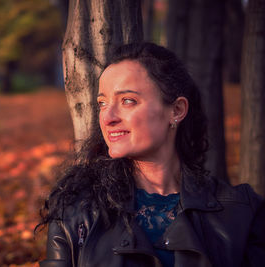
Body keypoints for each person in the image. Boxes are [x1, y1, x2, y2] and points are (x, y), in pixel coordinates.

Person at [37, 42, 265, 267]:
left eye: (128, 101)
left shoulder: (240, 212)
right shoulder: (77, 210)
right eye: (102, 103)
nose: (108, 117)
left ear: (176, 110)